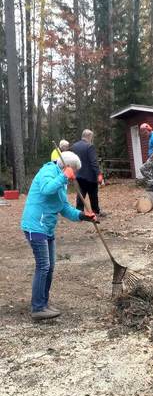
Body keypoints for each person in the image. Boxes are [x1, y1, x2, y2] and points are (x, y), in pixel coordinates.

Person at [21, 151, 99, 320]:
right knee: (43, 266)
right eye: (75, 171)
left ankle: (43, 302)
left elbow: (64, 208)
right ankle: (38, 308)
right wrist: (64, 177)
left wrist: (84, 216)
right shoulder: (47, 172)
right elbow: (46, 189)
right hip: (35, 226)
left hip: (47, 228)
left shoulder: (60, 181)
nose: (75, 175)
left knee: (50, 266)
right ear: (67, 167)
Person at [71, 129, 107, 218]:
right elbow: (93, 162)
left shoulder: (74, 146)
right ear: (89, 137)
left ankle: (79, 213)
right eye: (91, 137)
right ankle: (95, 211)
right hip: (90, 176)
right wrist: (99, 175)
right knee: (93, 194)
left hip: (78, 175)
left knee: (81, 194)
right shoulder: (90, 146)